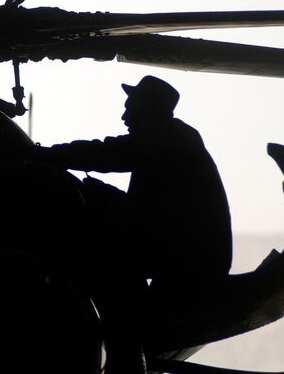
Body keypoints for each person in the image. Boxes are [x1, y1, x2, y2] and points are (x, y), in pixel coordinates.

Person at [33, 75, 232, 284]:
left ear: (148, 111)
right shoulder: (176, 138)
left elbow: (104, 154)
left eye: (131, 109)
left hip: (188, 261)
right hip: (189, 256)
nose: (124, 117)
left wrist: (45, 156)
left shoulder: (167, 140)